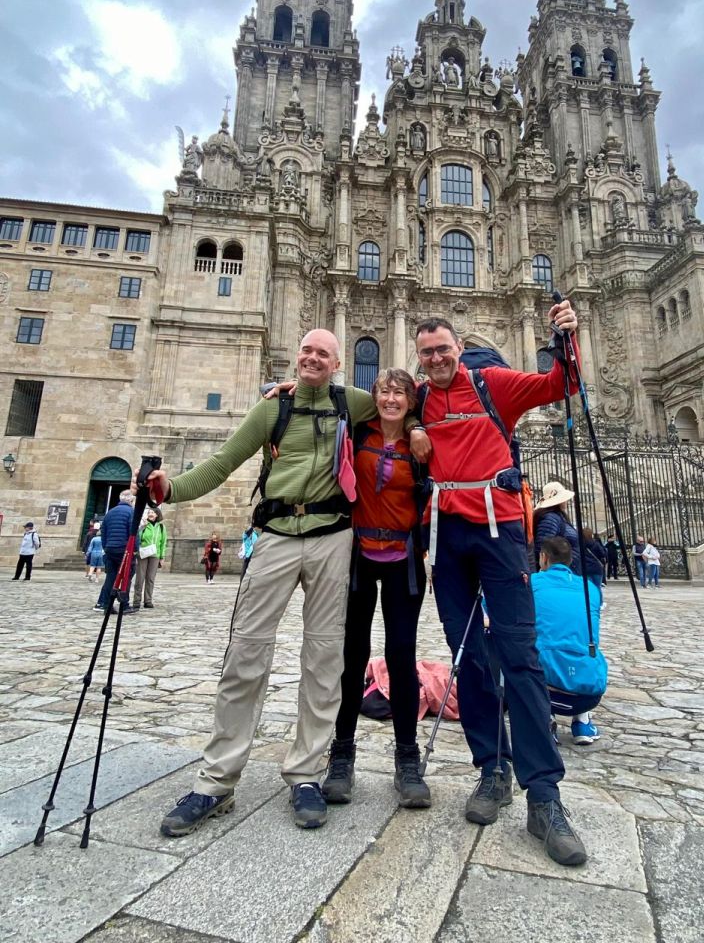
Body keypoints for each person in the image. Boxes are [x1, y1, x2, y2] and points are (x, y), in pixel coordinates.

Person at [147, 328, 428, 838]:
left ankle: (306, 774)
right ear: (297, 357)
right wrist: (174, 489)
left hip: (332, 538)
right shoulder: (272, 409)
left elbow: (403, 404)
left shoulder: (354, 401)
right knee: (245, 654)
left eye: (323, 353)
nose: (312, 358)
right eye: (306, 351)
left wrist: (416, 429)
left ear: (339, 363)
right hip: (275, 536)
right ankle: (215, 781)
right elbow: (223, 461)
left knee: (324, 660)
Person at [415, 303, 589, 868]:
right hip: (448, 539)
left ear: (457, 350)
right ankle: (492, 770)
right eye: (427, 353)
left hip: (500, 532)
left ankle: (546, 797)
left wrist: (566, 336)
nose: (437, 359)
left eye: (443, 349)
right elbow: (373, 409)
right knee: (467, 660)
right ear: (420, 359)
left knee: (521, 657)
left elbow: (559, 384)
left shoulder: (493, 385)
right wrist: (290, 387)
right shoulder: (420, 399)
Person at [322, 367, 430, 811]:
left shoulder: (421, 444)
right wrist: (284, 386)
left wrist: (419, 428)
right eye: (384, 391)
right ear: (374, 397)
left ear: (411, 399)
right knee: (353, 657)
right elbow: (321, 395)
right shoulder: (355, 431)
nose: (391, 398)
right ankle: (341, 754)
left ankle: (408, 758)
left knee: (402, 658)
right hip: (359, 559)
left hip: (404, 561)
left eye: (400, 392)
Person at [531, 535, 607, 746]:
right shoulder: (590, 589)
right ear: (570, 561)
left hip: (545, 689)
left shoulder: (533, 583)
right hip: (589, 691)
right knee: (584, 644)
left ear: (543, 558)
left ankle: (546, 720)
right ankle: (582, 722)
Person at [95, 491, 136, 612]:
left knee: (111, 577)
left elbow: (104, 532)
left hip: (110, 549)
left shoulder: (109, 513)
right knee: (127, 575)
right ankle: (124, 604)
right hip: (124, 550)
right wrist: (135, 549)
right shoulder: (131, 513)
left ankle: (107, 605)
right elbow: (133, 533)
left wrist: (106, 547)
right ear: (131, 501)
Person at [133, 508, 167, 609]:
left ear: (157, 514)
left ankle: (148, 600)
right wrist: (143, 525)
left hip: (155, 555)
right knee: (140, 578)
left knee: (150, 578)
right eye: (149, 513)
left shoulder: (161, 527)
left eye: (152, 512)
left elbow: (163, 542)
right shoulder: (143, 525)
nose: (150, 514)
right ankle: (136, 600)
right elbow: (137, 538)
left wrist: (162, 556)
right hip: (143, 553)